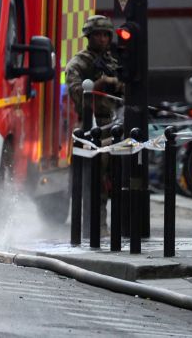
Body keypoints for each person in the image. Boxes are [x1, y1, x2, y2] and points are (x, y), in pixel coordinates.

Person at [64, 15, 124, 234]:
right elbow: (76, 93)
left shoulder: (113, 61)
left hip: (115, 124)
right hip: (91, 125)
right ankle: (95, 228)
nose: (102, 39)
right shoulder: (79, 63)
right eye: (97, 34)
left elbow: (128, 89)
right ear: (89, 37)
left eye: (106, 35)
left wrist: (116, 84)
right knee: (95, 181)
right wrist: (99, 85)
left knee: (119, 180)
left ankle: (117, 230)